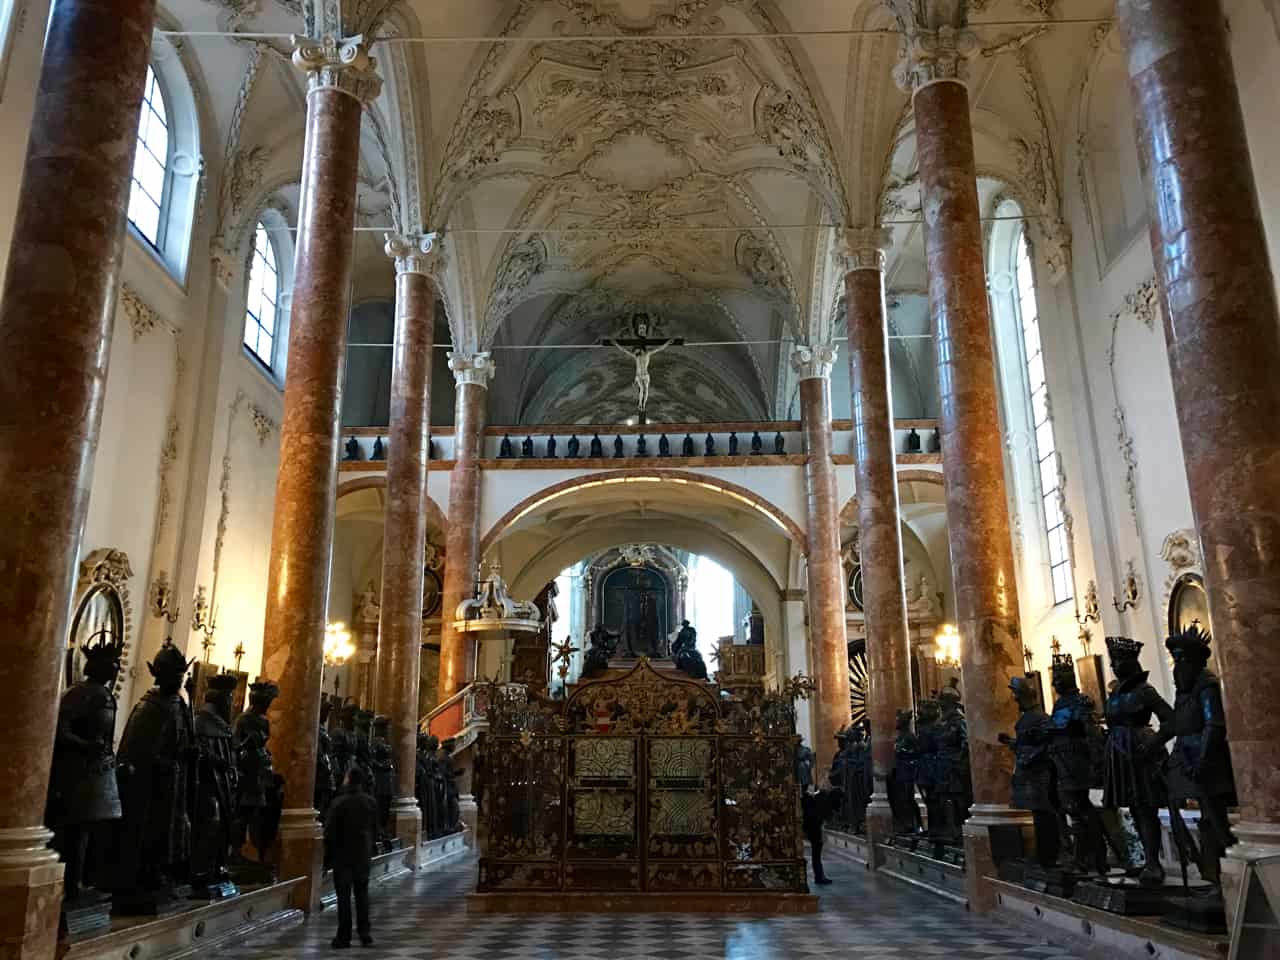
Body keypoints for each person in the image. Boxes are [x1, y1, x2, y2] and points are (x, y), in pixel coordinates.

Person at [325, 767, 379, 949]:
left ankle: (344, 936)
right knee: (362, 895)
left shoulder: (339, 803)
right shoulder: (370, 802)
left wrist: (326, 859)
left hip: (342, 855)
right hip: (363, 855)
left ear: (348, 780)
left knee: (344, 897)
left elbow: (330, 833)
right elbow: (376, 829)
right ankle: (365, 933)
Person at [800, 780, 842, 886]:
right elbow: (814, 815)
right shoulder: (808, 799)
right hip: (813, 828)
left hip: (812, 828)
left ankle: (819, 876)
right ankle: (818, 876)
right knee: (816, 854)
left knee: (816, 854)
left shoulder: (807, 798)